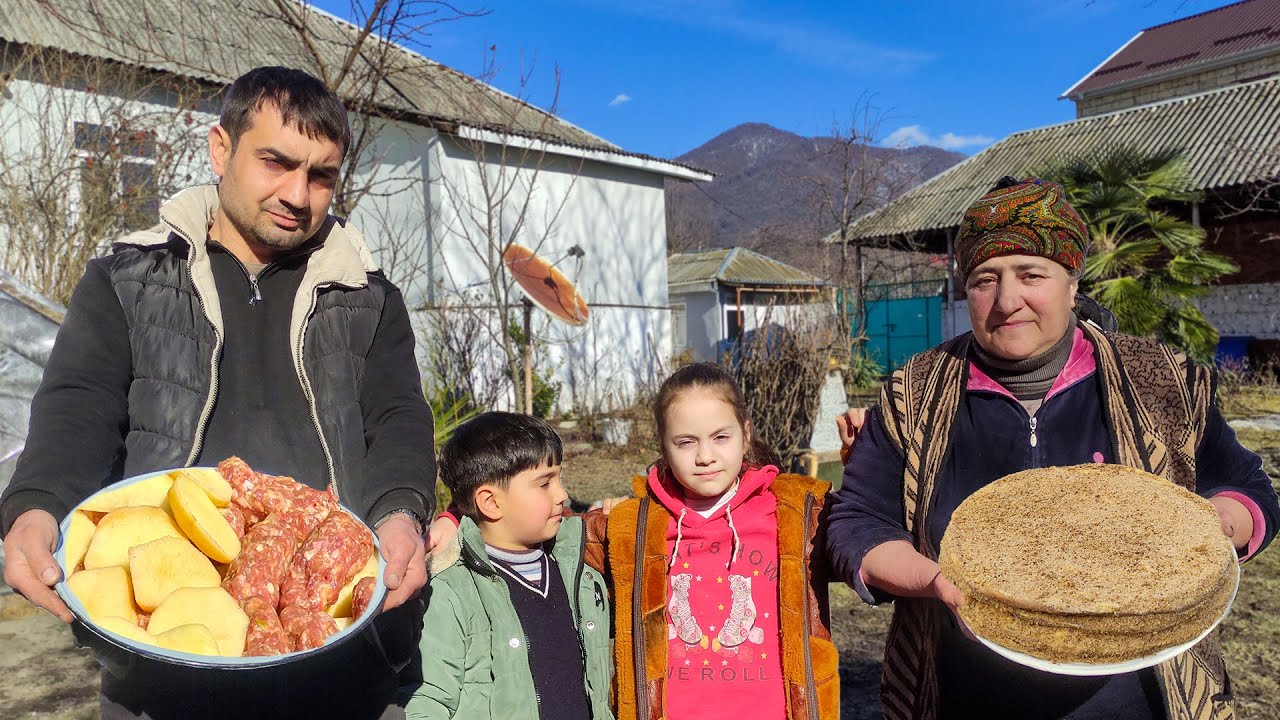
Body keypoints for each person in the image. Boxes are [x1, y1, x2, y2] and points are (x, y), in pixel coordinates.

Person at [0, 66, 436, 719]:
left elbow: (398, 418)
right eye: (276, 163)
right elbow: (77, 407)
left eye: (321, 175)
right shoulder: (129, 276)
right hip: (164, 661)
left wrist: (402, 514)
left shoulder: (366, 294)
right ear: (220, 149)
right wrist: (35, 506)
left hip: (336, 645)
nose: (298, 193)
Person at [826, 177, 1280, 719]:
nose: (1007, 301)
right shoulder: (912, 395)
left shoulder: (1162, 380)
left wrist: (1211, 526)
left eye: (1031, 274)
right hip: (964, 693)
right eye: (984, 279)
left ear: (1072, 281)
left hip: (1144, 696)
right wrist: (932, 579)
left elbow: (1249, 489)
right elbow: (858, 523)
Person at [587, 361, 840, 720]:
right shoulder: (638, 525)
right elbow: (550, 536)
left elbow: (867, 530)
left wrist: (858, 456)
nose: (705, 457)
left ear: (746, 434)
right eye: (686, 442)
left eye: (721, 437)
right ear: (663, 445)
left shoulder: (794, 514)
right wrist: (610, 521)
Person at [408, 412, 612, 719]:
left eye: (559, 478)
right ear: (490, 503)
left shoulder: (578, 571)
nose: (563, 494)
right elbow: (427, 701)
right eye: (545, 484)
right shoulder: (453, 593)